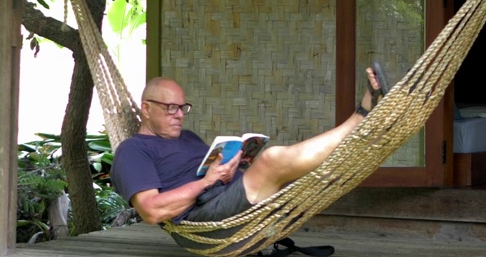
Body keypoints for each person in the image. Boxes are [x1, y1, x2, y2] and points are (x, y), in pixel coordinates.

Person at [111, 66, 388, 242]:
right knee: (273, 160)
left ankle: (364, 128)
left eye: (183, 108)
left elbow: (210, 173)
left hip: (229, 196)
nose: (180, 115)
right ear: (146, 109)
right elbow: (150, 211)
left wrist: (234, 165)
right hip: (203, 223)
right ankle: (360, 119)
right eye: (171, 108)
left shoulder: (188, 138)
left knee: (296, 169)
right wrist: (209, 181)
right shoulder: (133, 150)